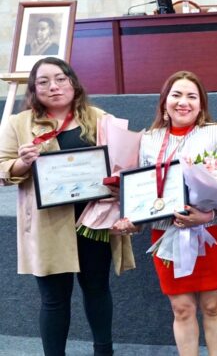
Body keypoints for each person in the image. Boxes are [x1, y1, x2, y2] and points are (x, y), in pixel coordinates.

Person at [0, 57, 135, 356]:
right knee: (53, 300)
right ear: (34, 90)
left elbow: (123, 161)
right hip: (48, 225)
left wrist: (118, 181)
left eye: (61, 78)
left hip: (93, 221)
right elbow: (2, 169)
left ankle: (104, 352)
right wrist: (22, 162)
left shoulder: (99, 118)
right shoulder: (18, 124)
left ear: (73, 82)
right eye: (44, 81)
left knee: (97, 289)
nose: (54, 86)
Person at [116, 71, 217, 356]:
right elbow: (143, 190)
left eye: (191, 96)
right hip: (167, 235)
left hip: (212, 233)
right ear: (164, 102)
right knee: (182, 309)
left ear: (201, 104)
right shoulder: (147, 139)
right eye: (176, 95)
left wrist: (208, 217)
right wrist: (134, 222)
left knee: (212, 306)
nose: (183, 102)